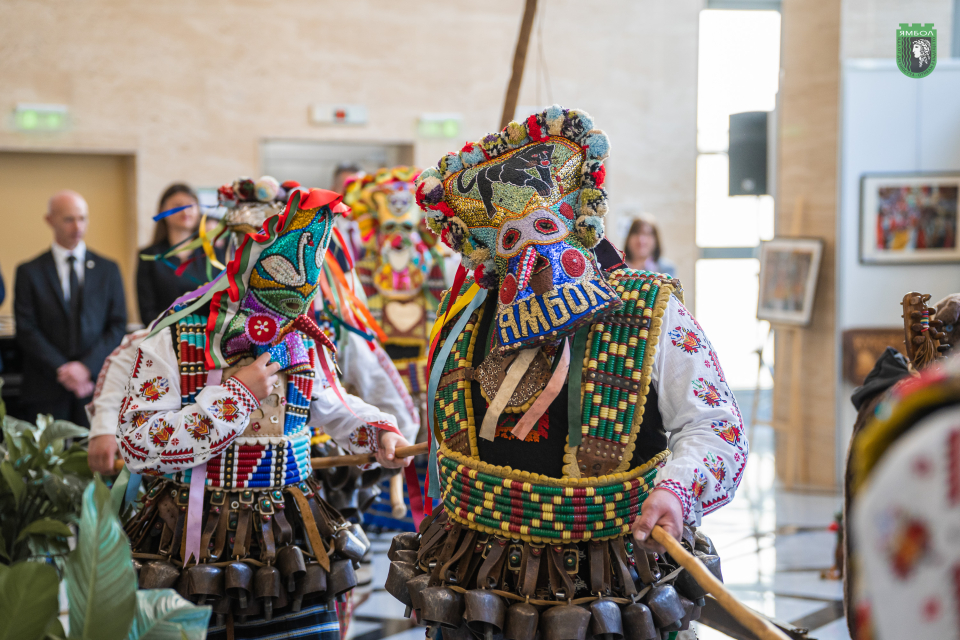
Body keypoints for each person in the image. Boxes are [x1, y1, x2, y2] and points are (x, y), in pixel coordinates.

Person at [387, 106, 746, 638]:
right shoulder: (466, 311)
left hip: (610, 582)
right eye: (515, 243)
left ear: (578, 221)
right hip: (474, 576)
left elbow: (716, 427)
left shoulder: (646, 309)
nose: (536, 260)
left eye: (547, 231)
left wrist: (676, 489)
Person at [117, 183, 414, 637]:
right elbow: (140, 442)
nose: (284, 317)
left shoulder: (301, 336)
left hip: (290, 534)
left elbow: (331, 406)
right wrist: (236, 395)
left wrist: (377, 433)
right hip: (192, 539)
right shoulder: (175, 334)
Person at [14, 190, 126, 426]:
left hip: (97, 386)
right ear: (49, 220)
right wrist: (63, 369)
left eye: (83, 218)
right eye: (69, 219)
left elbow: (117, 325)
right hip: (45, 388)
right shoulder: (29, 271)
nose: (78, 226)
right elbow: (26, 328)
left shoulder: (108, 269)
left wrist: (86, 368)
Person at [137, 183, 225, 326]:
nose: (185, 212)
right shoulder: (149, 256)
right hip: (163, 338)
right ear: (162, 210)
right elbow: (147, 312)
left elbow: (224, 301)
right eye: (177, 206)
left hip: (208, 335)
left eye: (190, 205)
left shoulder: (214, 254)